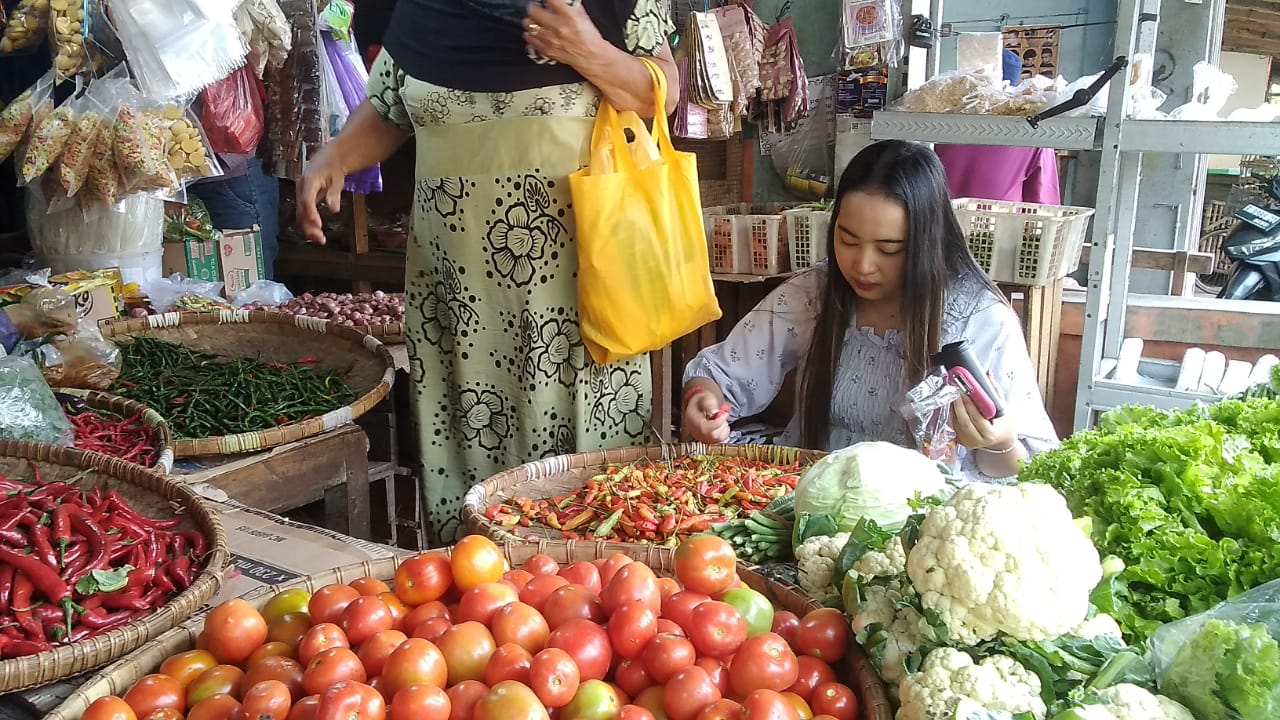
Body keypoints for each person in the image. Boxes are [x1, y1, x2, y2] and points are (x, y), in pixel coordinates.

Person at [296, 0, 678, 544]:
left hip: (577, 303)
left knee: (584, 510)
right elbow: (387, 111)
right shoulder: (425, 8)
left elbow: (659, 92)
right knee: (470, 506)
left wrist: (587, 50)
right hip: (458, 305)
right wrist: (335, 156)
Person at [682, 140, 1058, 482]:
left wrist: (1000, 443)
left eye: (889, 249)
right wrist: (704, 399)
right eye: (847, 240)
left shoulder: (978, 320)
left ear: (927, 244)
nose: (862, 265)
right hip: (811, 505)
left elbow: (1026, 471)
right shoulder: (815, 292)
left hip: (920, 525)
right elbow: (721, 372)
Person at [932, 50, 1061, 205]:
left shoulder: (940, 119)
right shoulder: (1033, 132)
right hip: (997, 225)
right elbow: (1044, 205)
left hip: (936, 221)